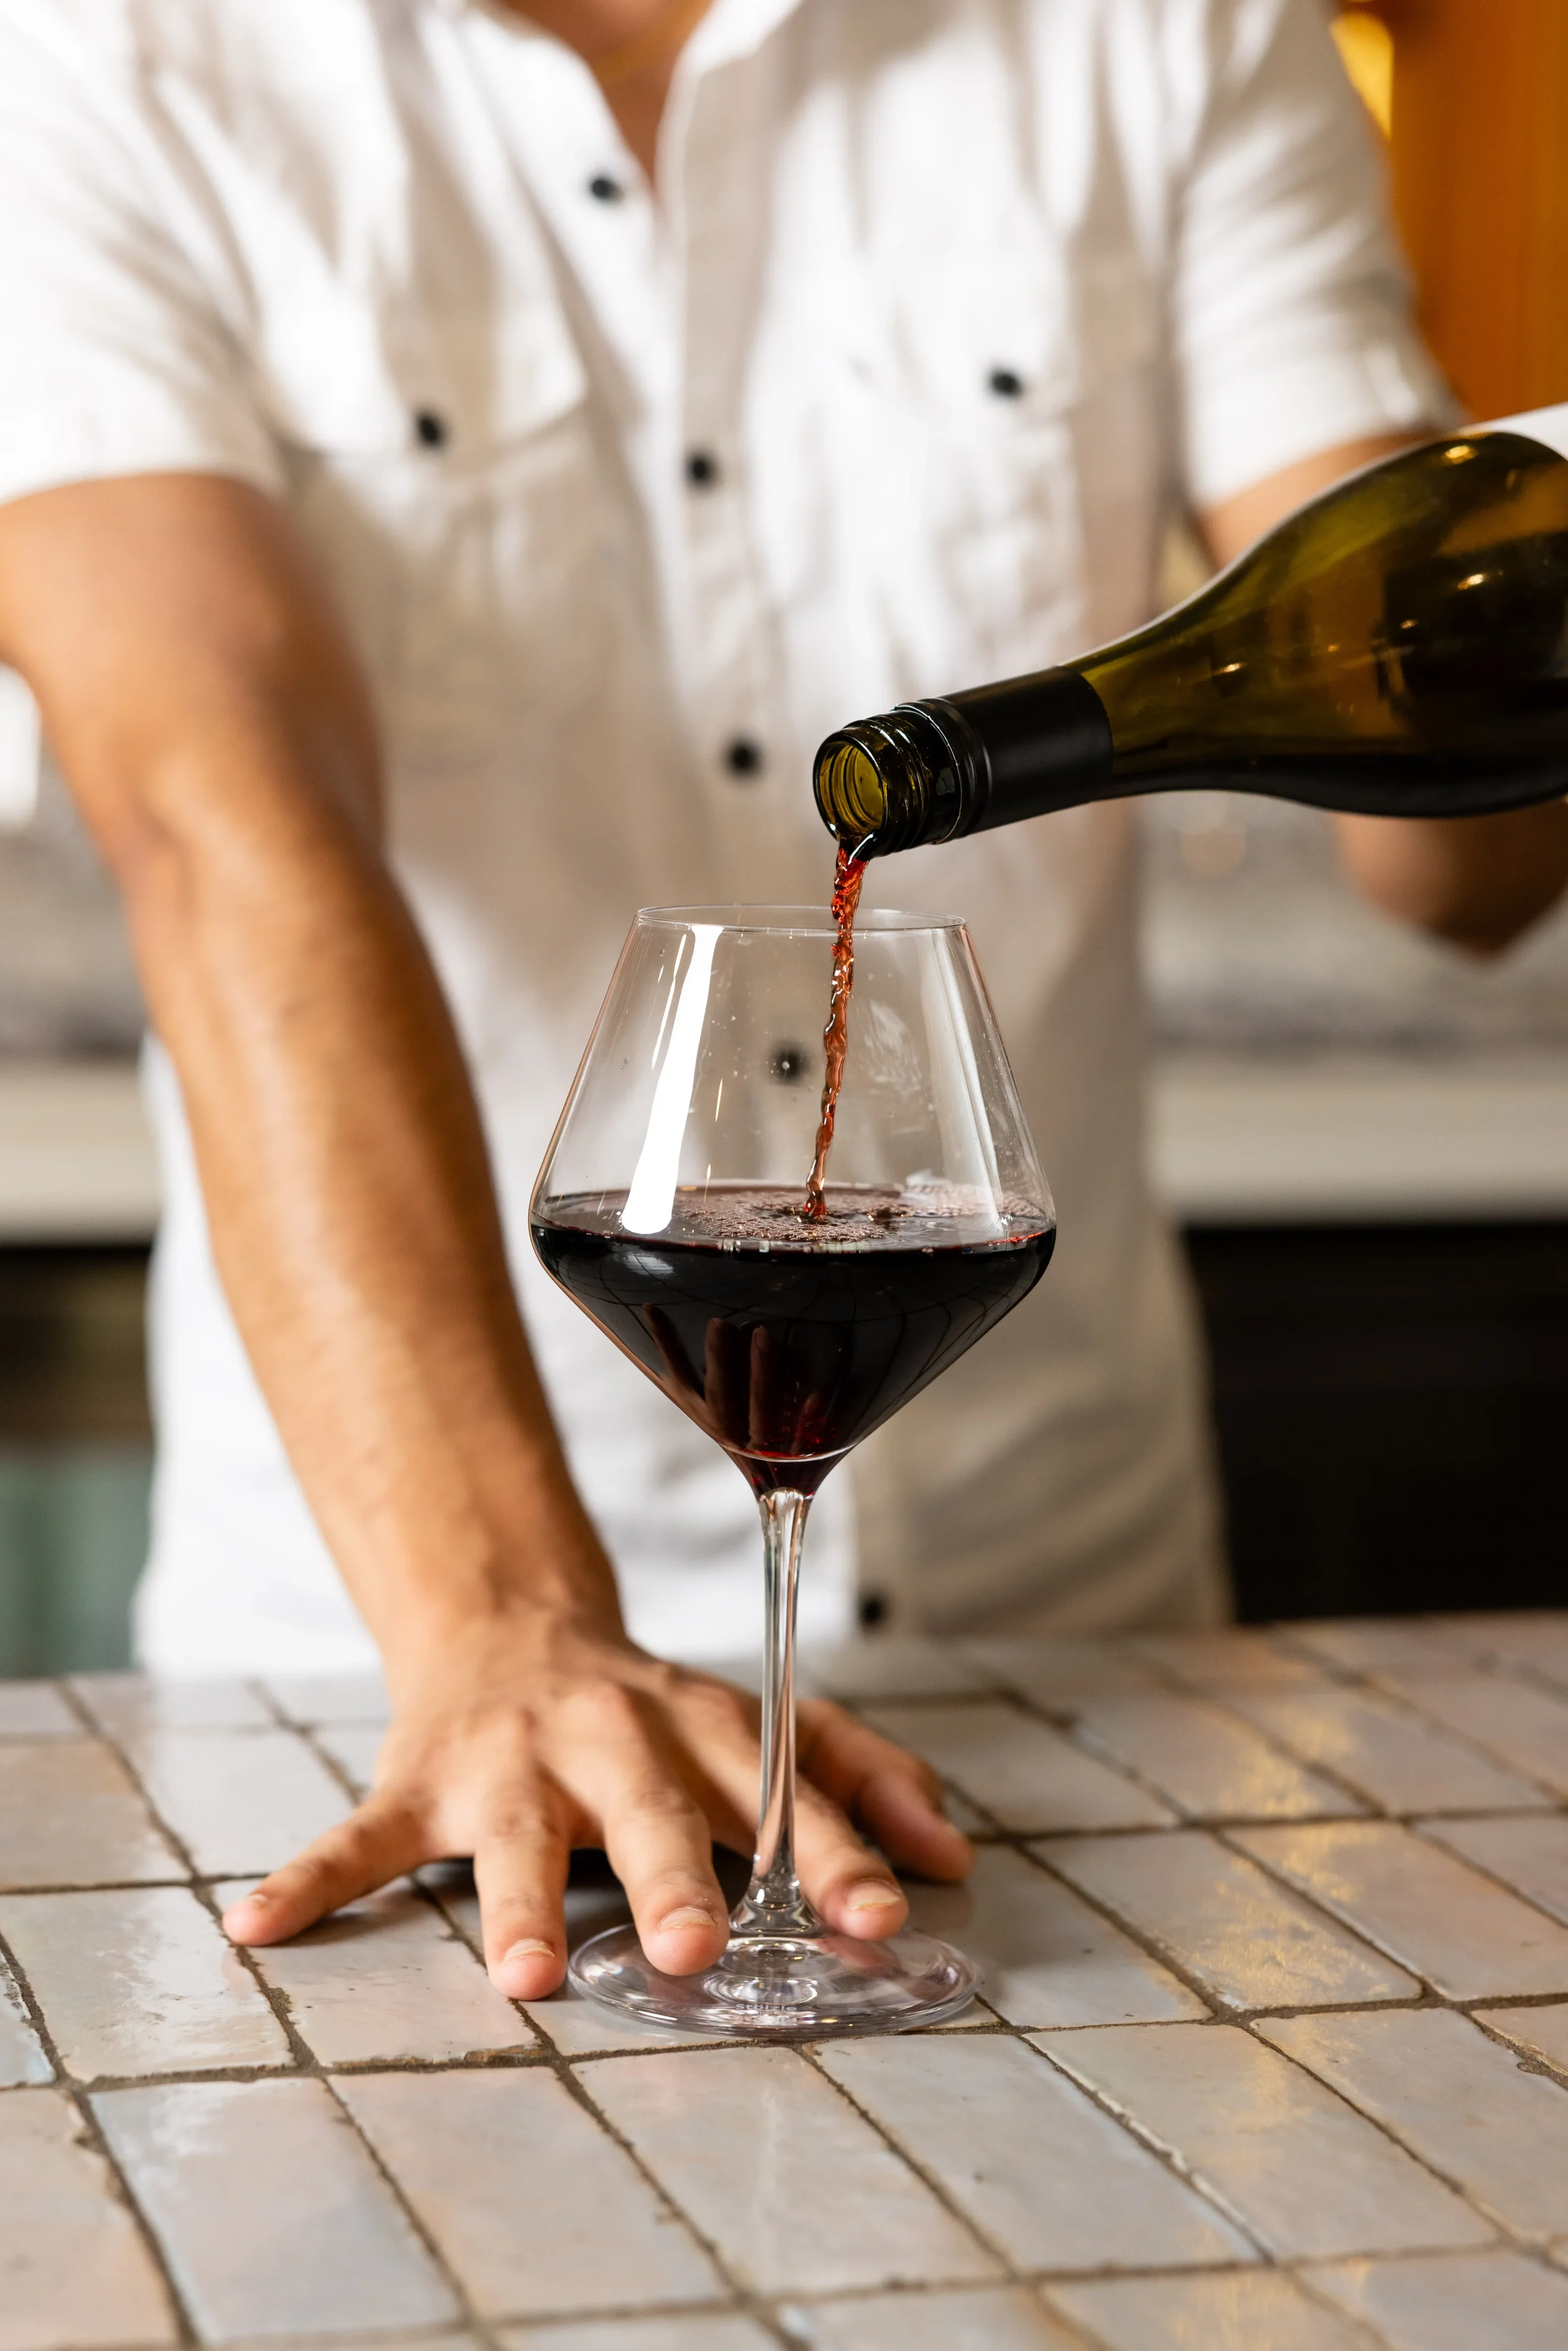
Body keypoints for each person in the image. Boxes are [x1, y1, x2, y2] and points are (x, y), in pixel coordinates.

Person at [1, 0, 1565, 1997]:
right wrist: (504, 1615)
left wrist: (1511, 645)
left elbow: (1457, 867)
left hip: (1070, 1674)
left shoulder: (1173, 27)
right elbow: (221, 820)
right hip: (404, 1697)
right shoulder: (96, 52)